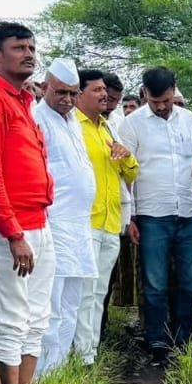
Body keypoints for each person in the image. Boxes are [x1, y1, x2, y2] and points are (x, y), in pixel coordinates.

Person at [0, 22, 54, 384]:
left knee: (37, 316)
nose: (28, 54)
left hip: (39, 222)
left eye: (31, 48)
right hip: (11, 229)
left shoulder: (24, 101)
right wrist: (13, 234)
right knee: (12, 318)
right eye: (19, 48)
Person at [122, 66, 192, 363]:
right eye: (155, 101)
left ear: (174, 91)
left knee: (189, 282)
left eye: (166, 100)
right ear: (144, 94)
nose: (161, 106)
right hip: (151, 214)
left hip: (186, 212)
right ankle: (157, 341)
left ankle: (183, 339)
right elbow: (126, 173)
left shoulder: (187, 119)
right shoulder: (132, 124)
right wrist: (130, 216)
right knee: (155, 283)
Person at [35, 59, 98, 373]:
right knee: (51, 303)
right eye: (61, 92)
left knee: (72, 302)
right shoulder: (37, 118)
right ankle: (42, 375)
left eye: (73, 93)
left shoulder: (73, 120)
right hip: (54, 224)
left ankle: (58, 371)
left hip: (79, 225)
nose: (68, 100)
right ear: (45, 87)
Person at [73, 69, 139, 364]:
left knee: (99, 292)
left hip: (111, 221)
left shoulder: (107, 128)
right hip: (85, 221)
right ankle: (78, 357)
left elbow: (132, 172)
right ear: (79, 93)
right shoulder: (72, 125)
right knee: (83, 293)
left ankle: (89, 352)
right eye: (97, 90)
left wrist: (126, 155)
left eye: (105, 91)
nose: (104, 95)